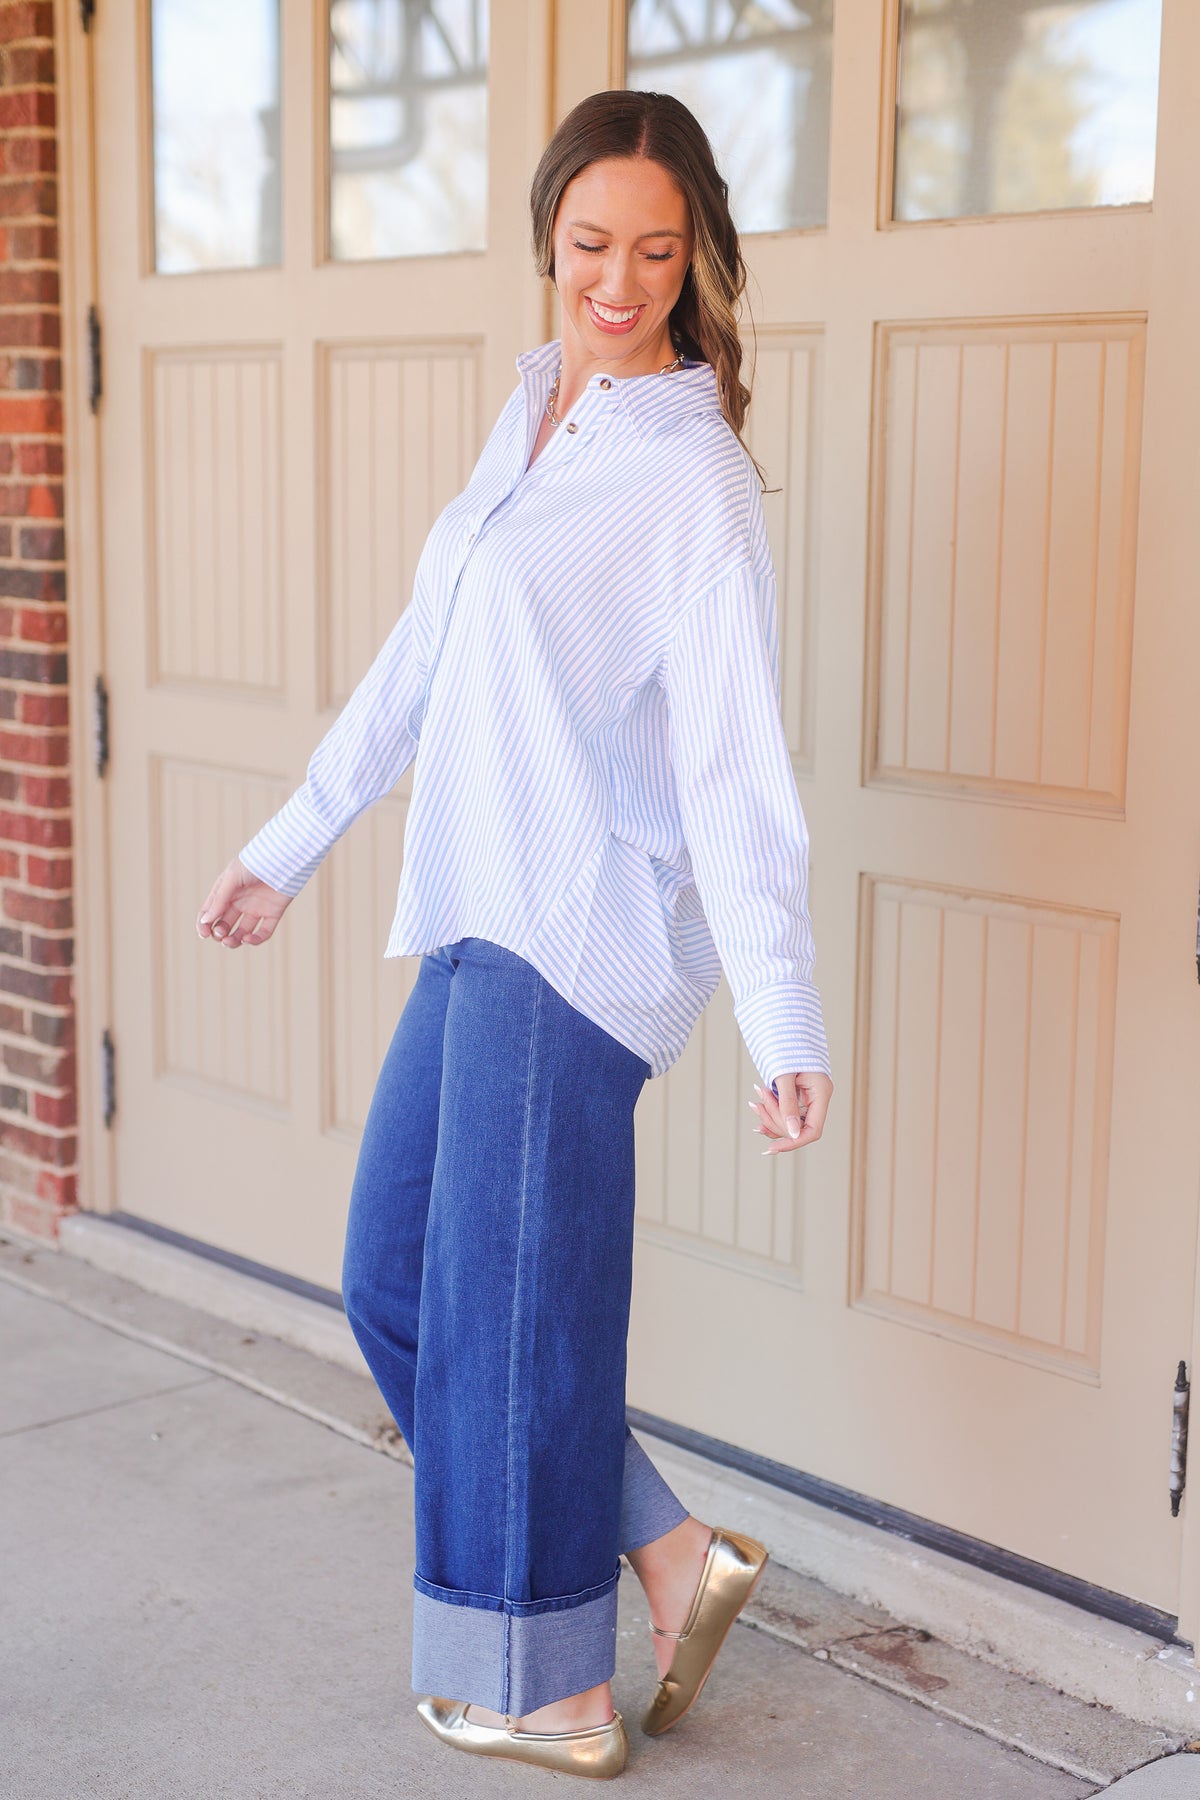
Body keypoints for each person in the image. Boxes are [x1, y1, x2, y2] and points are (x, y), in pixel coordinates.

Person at [196, 87, 834, 1782]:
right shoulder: (537, 406)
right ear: (547, 239)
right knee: (401, 1280)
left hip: (579, 939)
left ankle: (550, 1688)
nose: (618, 284)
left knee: (521, 1313)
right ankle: (671, 1553)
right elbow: (422, 655)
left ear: (696, 258)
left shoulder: (693, 477)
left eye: (655, 252)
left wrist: (784, 1015)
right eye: (588, 247)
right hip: (477, 910)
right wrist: (288, 845)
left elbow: (735, 766)